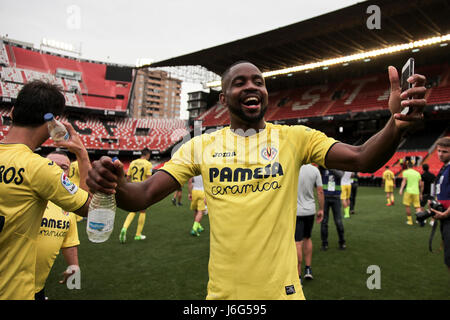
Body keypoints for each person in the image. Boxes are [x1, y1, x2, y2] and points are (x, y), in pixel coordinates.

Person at [87, 61, 427, 300]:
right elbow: (142, 195)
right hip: (223, 296)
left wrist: (395, 125)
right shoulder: (201, 146)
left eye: (258, 81)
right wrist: (113, 183)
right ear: (222, 99)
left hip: (283, 294)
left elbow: (362, 158)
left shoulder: (296, 138)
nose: (252, 86)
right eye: (240, 82)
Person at [0, 80, 90, 300]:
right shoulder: (39, 168)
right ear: (53, 124)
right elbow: (89, 207)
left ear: (11, 112)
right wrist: (82, 154)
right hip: (12, 292)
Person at [35, 146, 91, 300]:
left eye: (63, 167)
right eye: (51, 165)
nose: (57, 171)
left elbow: (69, 241)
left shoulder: (67, 207)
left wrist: (74, 265)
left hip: (37, 286)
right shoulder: (23, 197)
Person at [295, 164, 324, 281]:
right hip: (310, 211)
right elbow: (320, 191)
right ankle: (308, 269)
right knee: (307, 238)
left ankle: (298, 276)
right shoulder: (315, 170)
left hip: (296, 211)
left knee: (297, 243)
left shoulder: (293, 167)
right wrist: (321, 209)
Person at [120, 149, 152, 243]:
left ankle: (124, 228)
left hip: (132, 188)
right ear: (147, 155)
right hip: (142, 189)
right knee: (142, 211)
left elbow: (128, 177)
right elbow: (149, 179)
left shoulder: (133, 162)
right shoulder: (148, 164)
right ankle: (138, 234)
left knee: (133, 210)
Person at [430, 137, 450, 271]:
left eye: (445, 151)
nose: (440, 154)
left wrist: (445, 213)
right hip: (445, 217)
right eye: (438, 151)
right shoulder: (445, 168)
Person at [320, 167, 346, 250]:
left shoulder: (339, 166)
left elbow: (341, 175)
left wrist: (331, 167)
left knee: (338, 221)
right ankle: (324, 243)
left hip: (336, 197)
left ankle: (342, 242)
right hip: (325, 197)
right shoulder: (323, 166)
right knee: (324, 221)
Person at [399, 161, 423, 225]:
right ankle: (419, 220)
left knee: (407, 206)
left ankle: (410, 221)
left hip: (408, 191)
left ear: (407, 166)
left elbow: (404, 181)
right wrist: (421, 192)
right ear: (413, 166)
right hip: (416, 192)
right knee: (417, 207)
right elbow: (420, 184)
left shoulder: (405, 172)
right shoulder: (417, 173)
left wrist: (401, 189)